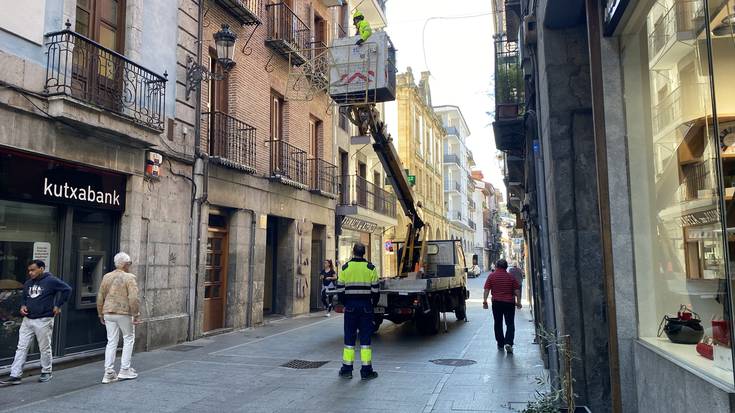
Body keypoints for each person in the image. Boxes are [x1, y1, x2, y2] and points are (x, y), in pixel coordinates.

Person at [0, 260, 71, 385]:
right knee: (21, 347)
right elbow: (24, 298)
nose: (30, 272)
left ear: (41, 268)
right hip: (28, 320)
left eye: (33, 270)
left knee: (44, 348)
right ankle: (15, 375)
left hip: (43, 319)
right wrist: (22, 306)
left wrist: (58, 305)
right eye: (29, 270)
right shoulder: (28, 283)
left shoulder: (51, 280)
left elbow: (67, 289)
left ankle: (46, 371)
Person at [335, 243, 380, 380]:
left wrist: (346, 303)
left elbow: (340, 290)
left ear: (353, 252)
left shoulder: (345, 268)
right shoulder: (371, 268)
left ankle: (347, 369)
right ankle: (366, 371)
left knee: (349, 338)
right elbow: (376, 291)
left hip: (350, 307)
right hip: (366, 306)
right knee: (365, 339)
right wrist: (372, 304)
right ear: (364, 253)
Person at [97, 252, 140, 384]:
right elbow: (133, 297)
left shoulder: (107, 276)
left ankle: (108, 372)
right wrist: (136, 314)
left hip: (108, 312)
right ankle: (124, 369)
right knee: (128, 338)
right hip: (123, 312)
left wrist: (100, 313)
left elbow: (100, 296)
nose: (130, 266)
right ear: (126, 264)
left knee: (111, 341)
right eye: (130, 263)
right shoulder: (129, 277)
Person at [482, 259, 521, 354]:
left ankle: (500, 343)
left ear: (496, 266)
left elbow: (486, 289)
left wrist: (485, 301)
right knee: (510, 323)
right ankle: (508, 343)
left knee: (498, 323)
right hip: (509, 303)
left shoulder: (491, 276)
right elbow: (517, 291)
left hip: (497, 303)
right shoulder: (510, 277)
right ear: (506, 267)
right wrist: (518, 302)